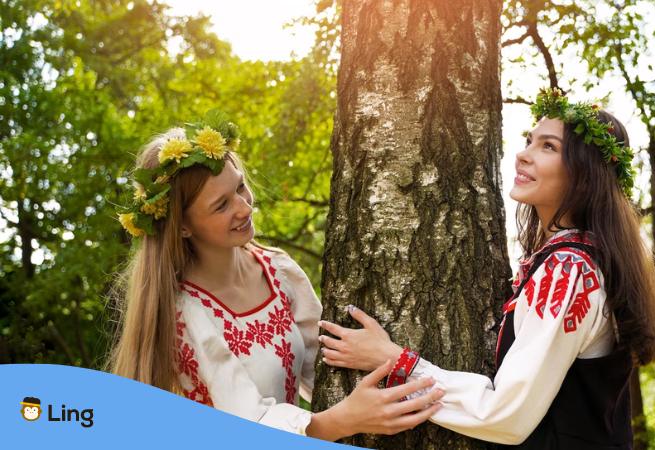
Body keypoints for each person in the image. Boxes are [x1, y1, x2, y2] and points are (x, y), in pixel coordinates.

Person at [317, 88, 655, 448]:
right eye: (529, 141)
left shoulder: (570, 271)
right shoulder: (580, 260)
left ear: (586, 174)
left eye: (547, 147)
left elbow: (506, 416)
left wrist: (395, 361)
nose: (522, 155)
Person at [107, 112, 443, 441]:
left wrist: (385, 357)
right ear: (182, 226)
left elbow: (328, 368)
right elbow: (248, 423)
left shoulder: (278, 270)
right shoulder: (186, 315)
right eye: (221, 205)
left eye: (239, 188)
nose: (244, 207)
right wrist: (342, 421)